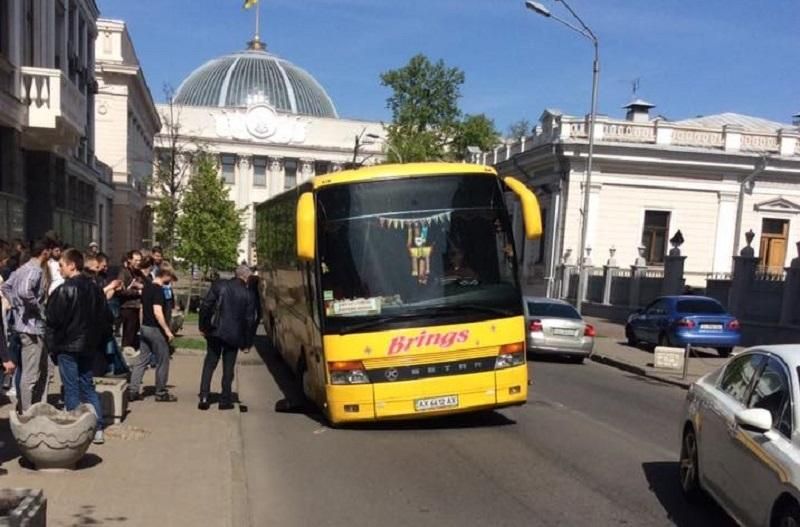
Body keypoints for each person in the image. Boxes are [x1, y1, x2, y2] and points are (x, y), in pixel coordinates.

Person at [45, 249, 109, 444]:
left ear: (72, 265)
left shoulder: (64, 290)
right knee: (87, 384)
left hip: (68, 346)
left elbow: (52, 320)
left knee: (72, 387)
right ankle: (98, 428)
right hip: (88, 345)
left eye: (62, 265)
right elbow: (105, 317)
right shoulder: (95, 288)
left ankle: (75, 430)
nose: (60, 269)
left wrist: (52, 345)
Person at [0, 239, 52, 412]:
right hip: (32, 328)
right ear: (45, 252)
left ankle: (35, 407)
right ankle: (27, 412)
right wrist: (36, 307)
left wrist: (15, 304)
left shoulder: (21, 269)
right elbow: (24, 291)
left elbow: (7, 286)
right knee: (31, 374)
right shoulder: (34, 270)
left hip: (29, 326)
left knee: (43, 369)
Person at [198, 265, 259, 410]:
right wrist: (247, 343)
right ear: (246, 277)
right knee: (228, 366)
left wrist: (203, 326)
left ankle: (204, 397)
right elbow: (250, 320)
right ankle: (225, 400)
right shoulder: (248, 294)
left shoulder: (219, 285)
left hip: (214, 331)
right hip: (234, 334)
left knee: (210, 363)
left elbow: (206, 305)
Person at [129, 262, 178, 402]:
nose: (170, 280)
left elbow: (142, 309)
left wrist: (141, 325)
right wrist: (167, 331)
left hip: (144, 327)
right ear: (166, 275)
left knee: (141, 360)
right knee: (163, 360)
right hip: (155, 329)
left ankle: (133, 390)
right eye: (170, 276)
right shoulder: (158, 290)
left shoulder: (146, 288)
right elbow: (158, 312)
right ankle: (161, 392)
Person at [85, 254, 128, 376]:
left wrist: (113, 289)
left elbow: (103, 297)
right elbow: (96, 295)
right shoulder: (89, 280)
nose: (103, 268)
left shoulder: (100, 278)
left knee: (108, 344)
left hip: (102, 318)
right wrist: (110, 287)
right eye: (100, 266)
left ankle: (113, 368)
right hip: (92, 322)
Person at [116, 250, 145, 350]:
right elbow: (121, 291)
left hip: (137, 307)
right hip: (127, 307)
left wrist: (142, 287)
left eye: (140, 260)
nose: (138, 262)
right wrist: (137, 292)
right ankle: (126, 353)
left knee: (134, 333)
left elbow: (146, 285)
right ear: (129, 260)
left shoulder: (138, 273)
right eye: (136, 260)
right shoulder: (124, 272)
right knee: (128, 334)